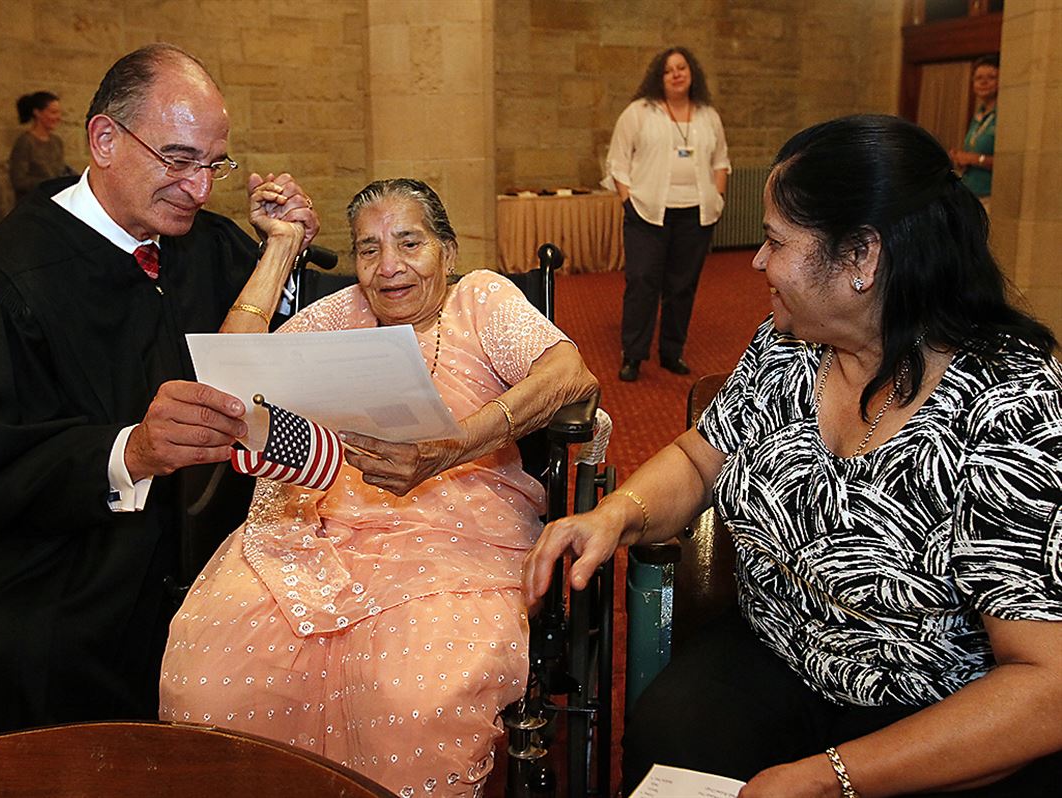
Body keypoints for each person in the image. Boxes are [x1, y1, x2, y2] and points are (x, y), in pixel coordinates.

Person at [525, 115, 1062, 797]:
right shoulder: (786, 344)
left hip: (935, 711)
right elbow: (700, 459)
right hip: (777, 652)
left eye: (776, 241)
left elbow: (1046, 688)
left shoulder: (1011, 404)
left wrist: (829, 777)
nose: (755, 260)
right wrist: (617, 514)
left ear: (862, 258)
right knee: (669, 740)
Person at [0, 43, 319, 757]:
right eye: (178, 159)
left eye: (212, 163)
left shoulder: (202, 242)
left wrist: (283, 253)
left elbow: (261, 344)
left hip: (212, 541)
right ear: (104, 139)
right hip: (63, 561)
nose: (199, 189)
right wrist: (127, 451)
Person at [160, 178, 598, 797]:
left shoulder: (479, 299)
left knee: (414, 695)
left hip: (455, 535)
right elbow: (232, 378)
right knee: (212, 681)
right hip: (315, 531)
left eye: (409, 242)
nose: (388, 267)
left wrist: (454, 445)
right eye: (368, 250)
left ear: (447, 251)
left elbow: (569, 373)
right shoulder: (341, 315)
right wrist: (282, 248)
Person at [604, 46, 730, 382]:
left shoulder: (708, 115)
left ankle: (672, 352)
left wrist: (717, 197)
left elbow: (721, 161)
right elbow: (617, 161)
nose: (676, 74)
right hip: (647, 212)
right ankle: (633, 354)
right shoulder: (639, 112)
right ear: (658, 77)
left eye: (682, 68)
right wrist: (627, 199)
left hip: (696, 214)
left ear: (692, 74)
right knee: (642, 282)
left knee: (682, 287)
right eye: (668, 69)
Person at [949, 55, 999, 213]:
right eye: (978, 78)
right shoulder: (979, 114)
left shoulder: (1003, 115)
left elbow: (1011, 162)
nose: (983, 82)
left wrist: (975, 159)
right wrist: (961, 158)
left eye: (991, 77)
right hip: (971, 192)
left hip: (990, 195)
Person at [9, 90, 76, 204]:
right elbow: (19, 181)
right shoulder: (25, 142)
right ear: (37, 113)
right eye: (53, 112)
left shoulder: (56, 141)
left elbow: (60, 169)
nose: (58, 117)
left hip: (54, 203)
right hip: (33, 205)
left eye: (59, 113)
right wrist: (50, 184)